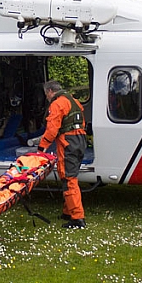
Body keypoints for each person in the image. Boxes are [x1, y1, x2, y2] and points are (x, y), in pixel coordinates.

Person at [38, 80, 87, 228]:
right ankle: (68, 212)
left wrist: (42, 147)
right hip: (80, 140)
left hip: (68, 143)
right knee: (68, 176)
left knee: (69, 179)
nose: (47, 97)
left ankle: (78, 218)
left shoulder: (57, 104)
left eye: (46, 94)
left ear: (50, 92)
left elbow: (52, 129)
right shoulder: (74, 101)